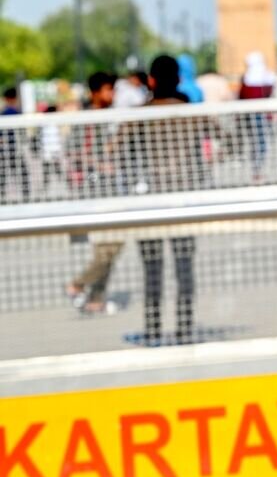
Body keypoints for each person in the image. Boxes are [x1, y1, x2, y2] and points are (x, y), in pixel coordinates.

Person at [134, 55, 198, 344]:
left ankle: (153, 330)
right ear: (179, 80)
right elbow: (230, 140)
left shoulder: (140, 114)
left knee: (152, 270)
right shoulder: (189, 112)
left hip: (150, 203)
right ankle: (185, 330)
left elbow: (110, 149)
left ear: (151, 80)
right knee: (184, 269)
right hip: (183, 200)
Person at [65, 71, 124, 313]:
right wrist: (100, 164)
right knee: (110, 246)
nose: (112, 94)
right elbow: (73, 151)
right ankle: (78, 285)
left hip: (111, 189)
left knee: (111, 247)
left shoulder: (110, 117)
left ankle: (96, 299)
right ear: (95, 92)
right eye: (108, 89)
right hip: (94, 192)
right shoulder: (87, 119)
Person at [239, 51, 275, 181]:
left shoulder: (249, 78)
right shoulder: (267, 77)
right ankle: (258, 169)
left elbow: (241, 97)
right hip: (260, 114)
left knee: (258, 142)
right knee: (260, 142)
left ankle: (257, 169)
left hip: (254, 115)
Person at [0, 87, 30, 203]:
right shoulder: (16, 112)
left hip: (4, 149)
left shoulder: (3, 112)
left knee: (3, 174)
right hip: (15, 148)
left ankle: (2, 197)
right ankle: (26, 196)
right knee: (22, 174)